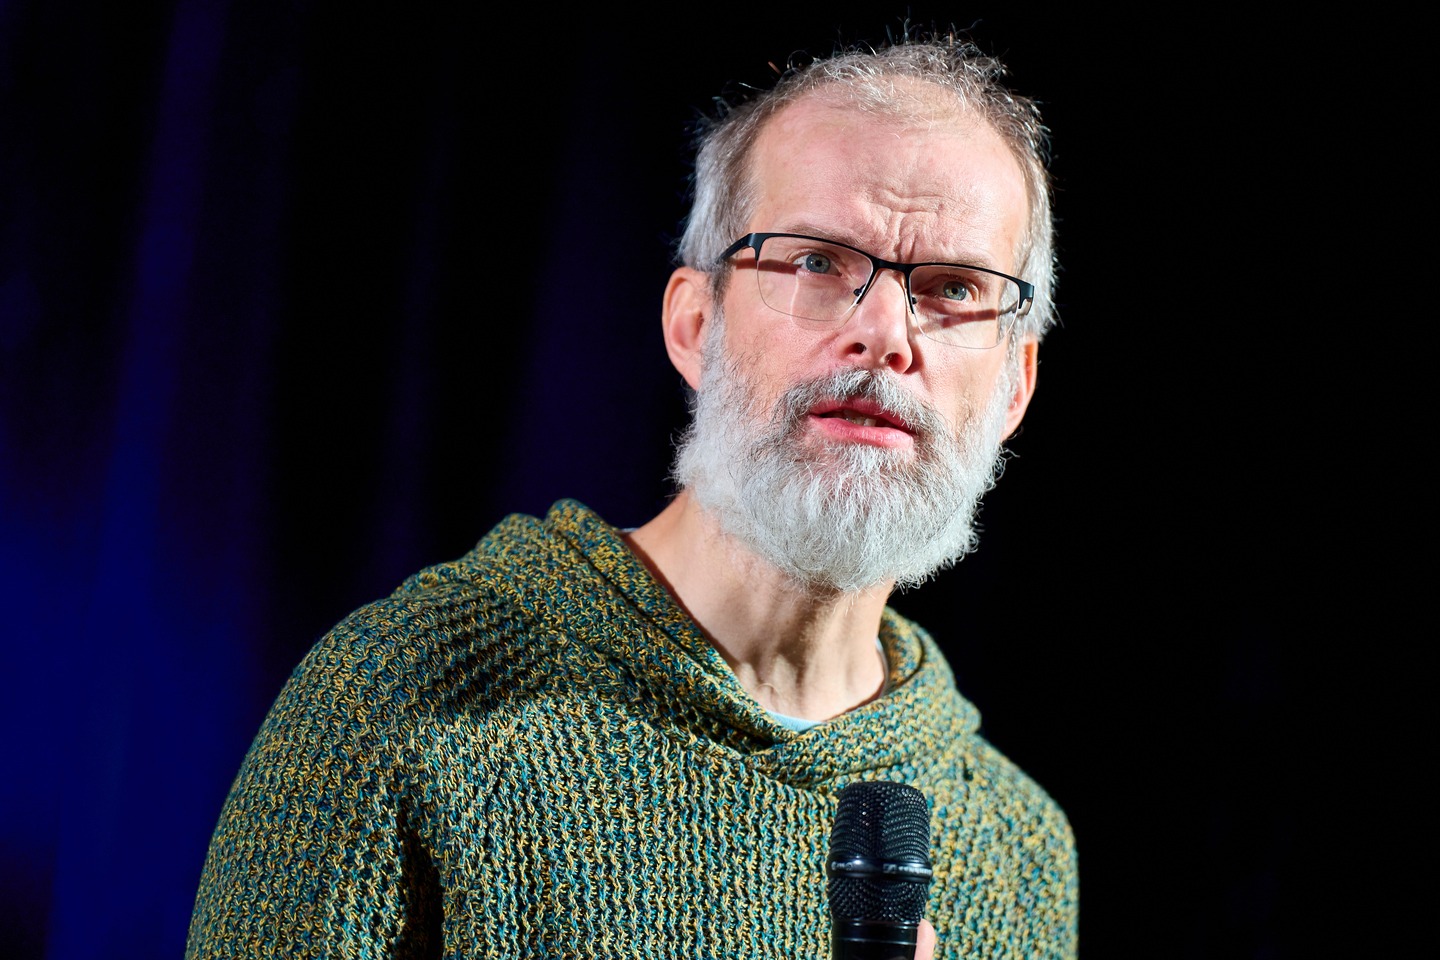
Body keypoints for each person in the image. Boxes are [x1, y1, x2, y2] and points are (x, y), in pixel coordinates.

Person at [186, 26, 1078, 960]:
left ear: (1014, 388)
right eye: (818, 262)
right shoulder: (400, 706)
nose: (887, 333)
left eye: (954, 288)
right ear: (695, 325)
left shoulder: (1021, 852)